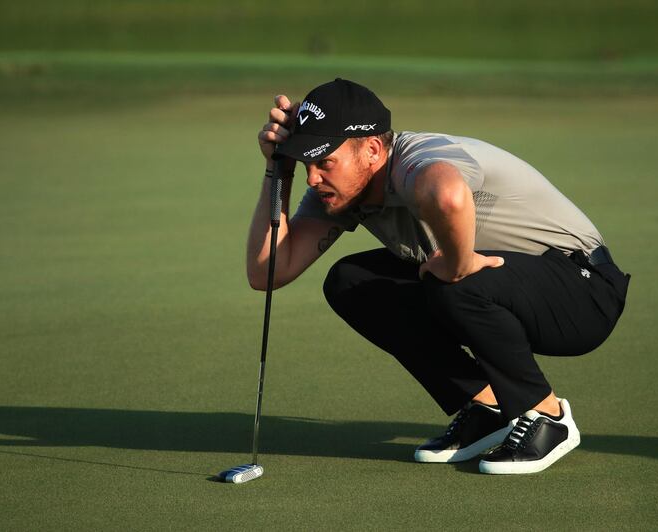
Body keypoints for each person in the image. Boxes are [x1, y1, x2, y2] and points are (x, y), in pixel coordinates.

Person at [248, 78, 630, 474]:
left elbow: (447, 194)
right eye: (307, 163)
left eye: (324, 162)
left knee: (454, 280)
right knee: (351, 281)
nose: (313, 177)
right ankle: (488, 407)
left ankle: (547, 417)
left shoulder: (418, 158)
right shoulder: (339, 190)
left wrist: (456, 263)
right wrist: (278, 171)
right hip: (508, 290)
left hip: (583, 291)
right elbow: (268, 272)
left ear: (373, 150)